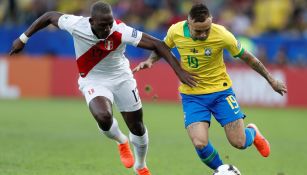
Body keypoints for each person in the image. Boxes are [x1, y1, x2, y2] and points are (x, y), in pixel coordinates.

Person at [9, 1, 196, 175]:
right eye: (103, 25)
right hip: (93, 80)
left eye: (110, 24)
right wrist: (23, 38)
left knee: (137, 127)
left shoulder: (120, 30)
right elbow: (49, 15)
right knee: (104, 117)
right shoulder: (76, 24)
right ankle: (121, 140)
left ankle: (141, 165)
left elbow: (158, 45)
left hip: (122, 78)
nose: (107, 29)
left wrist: (179, 72)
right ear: (92, 21)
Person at [133, 3, 287, 171]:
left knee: (239, 142)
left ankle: (253, 132)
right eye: (198, 31)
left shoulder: (222, 35)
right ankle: (223, 170)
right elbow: (162, 48)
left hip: (221, 93)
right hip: (192, 96)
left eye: (206, 29)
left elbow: (248, 58)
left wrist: (271, 79)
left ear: (211, 21)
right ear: (189, 22)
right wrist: (150, 60)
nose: (203, 34)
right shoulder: (175, 31)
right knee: (200, 143)